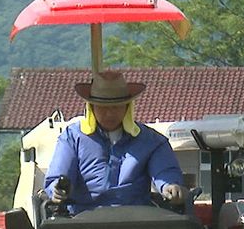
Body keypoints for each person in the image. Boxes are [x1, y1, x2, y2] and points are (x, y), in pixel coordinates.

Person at [44, 70, 186, 214]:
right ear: (91, 107)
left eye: (116, 106)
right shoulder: (71, 138)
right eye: (103, 107)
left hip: (137, 221)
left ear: (127, 107)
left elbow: (165, 172)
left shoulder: (152, 141)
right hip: (83, 222)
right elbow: (58, 177)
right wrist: (57, 190)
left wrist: (170, 187)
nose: (110, 113)